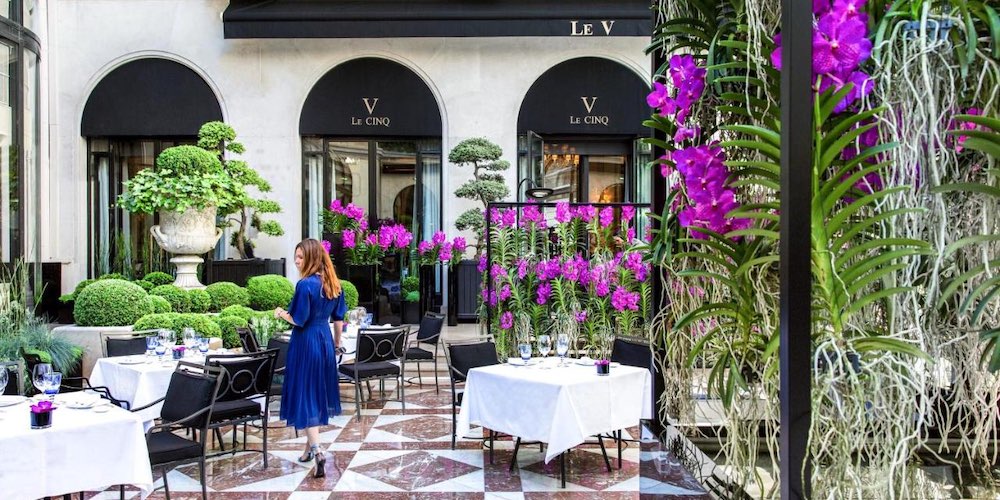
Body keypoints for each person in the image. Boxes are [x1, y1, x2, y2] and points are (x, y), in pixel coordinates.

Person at [273, 238, 347, 478]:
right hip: (324, 340)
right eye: (296, 256)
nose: (296, 261)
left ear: (313, 258)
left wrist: (281, 313)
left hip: (305, 342)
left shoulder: (305, 285)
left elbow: (299, 319)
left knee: (306, 395)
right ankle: (307, 450)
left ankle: (317, 450)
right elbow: (338, 319)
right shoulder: (334, 284)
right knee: (315, 393)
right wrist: (337, 344)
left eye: (301, 257)